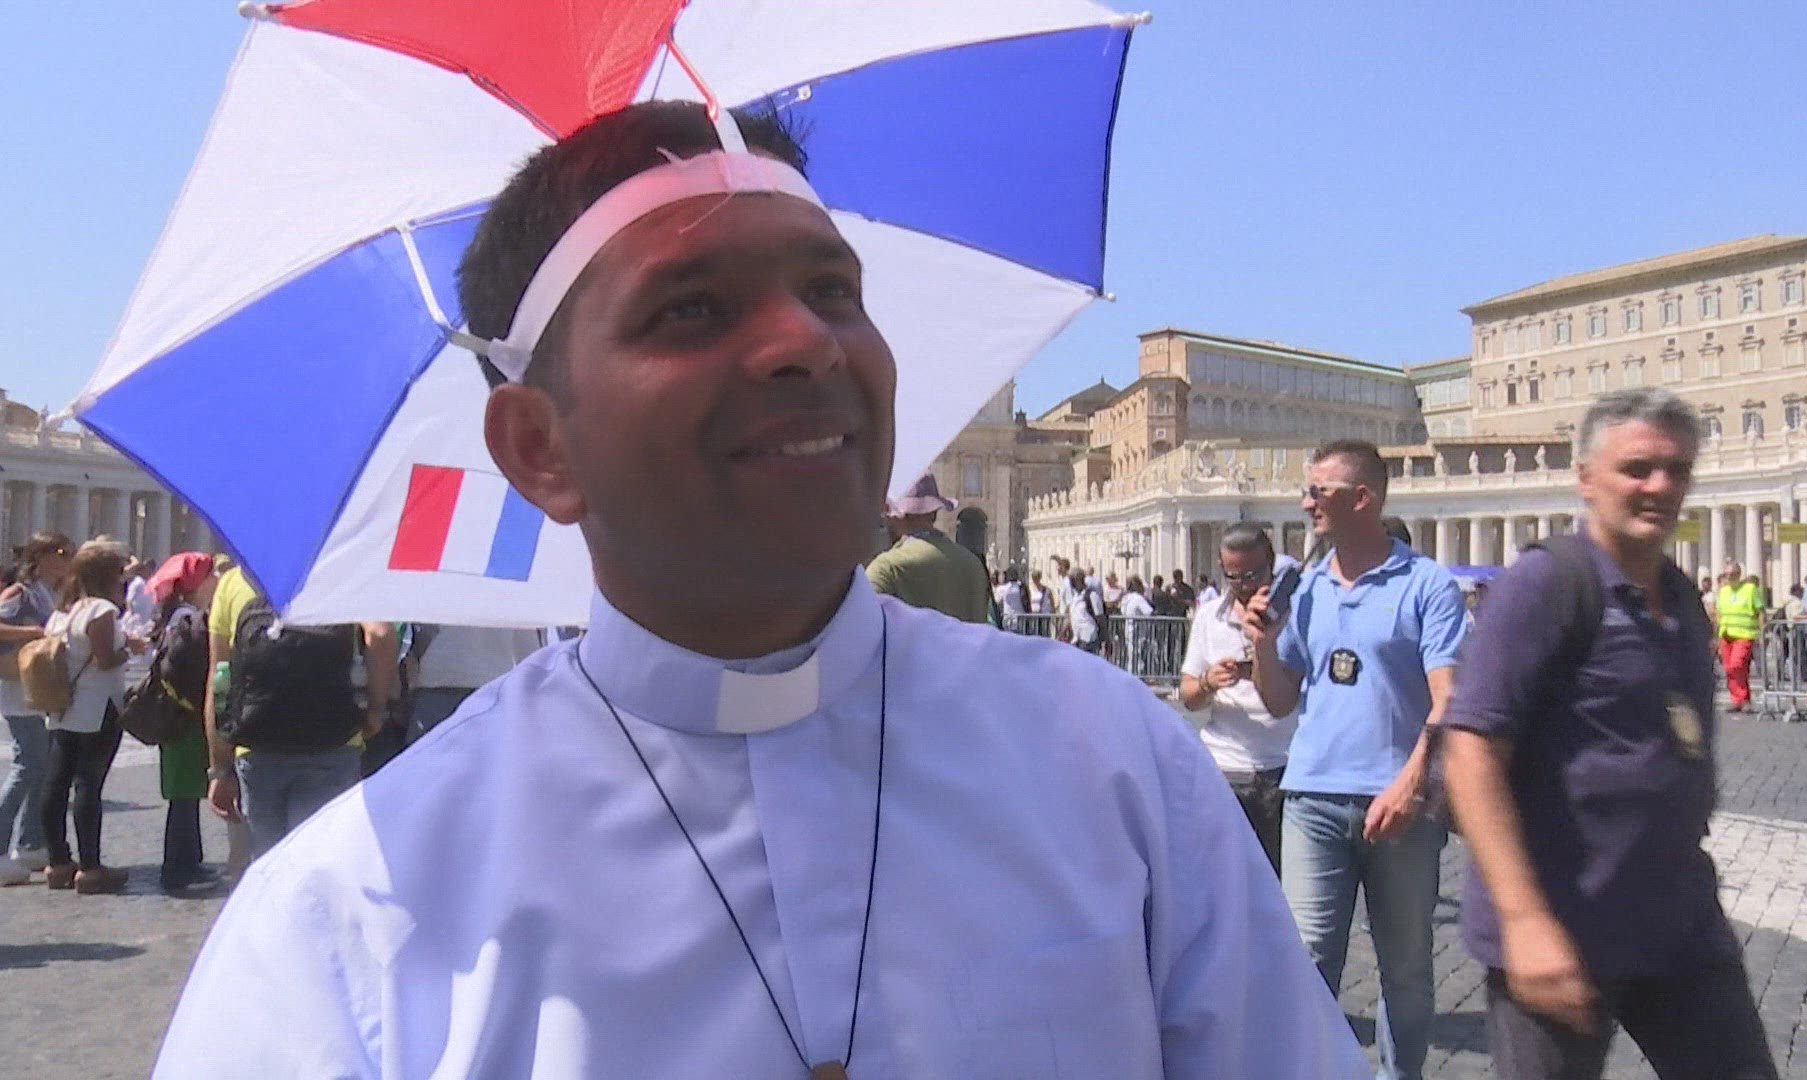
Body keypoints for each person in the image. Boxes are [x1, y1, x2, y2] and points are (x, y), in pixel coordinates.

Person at [156, 101, 1366, 1078]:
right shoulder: (348, 914)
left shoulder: (1113, 763)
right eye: (692, 309)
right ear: (539, 449)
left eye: (833, 290)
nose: (808, 342)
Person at [1443, 388, 1778, 1079]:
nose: (1660, 486)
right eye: (1637, 468)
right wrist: (1524, 921)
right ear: (1586, 478)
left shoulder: (1682, 597)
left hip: (1679, 919)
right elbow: (1471, 752)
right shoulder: (1544, 584)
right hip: (1561, 924)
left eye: (1676, 470)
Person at [1245, 439, 1469, 1080]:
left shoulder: (1428, 585)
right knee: (1306, 961)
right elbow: (1280, 700)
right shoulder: (1306, 589)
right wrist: (1263, 644)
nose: (1305, 502)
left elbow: (1449, 700)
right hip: (1312, 795)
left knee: (1406, 968)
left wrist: (1412, 782)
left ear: (1362, 498)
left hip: (1402, 803)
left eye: (1318, 491)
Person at [201, 566, 397, 857]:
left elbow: (219, 681)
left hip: (258, 745)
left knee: (269, 863)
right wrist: (375, 711)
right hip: (334, 742)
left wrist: (219, 768)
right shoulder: (343, 572)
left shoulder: (234, 581)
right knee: (321, 860)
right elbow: (380, 634)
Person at [1178, 524, 1299, 877]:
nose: (1244, 585)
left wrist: (1263, 658)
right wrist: (1207, 682)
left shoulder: (1297, 614)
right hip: (1225, 766)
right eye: (1233, 577)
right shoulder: (1209, 616)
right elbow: (1188, 697)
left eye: (1253, 575)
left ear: (1272, 565)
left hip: (1284, 765)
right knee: (1222, 880)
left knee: (1280, 883)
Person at [40, 539, 139, 894]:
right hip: (98, 707)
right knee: (88, 786)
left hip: (62, 705)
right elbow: (104, 660)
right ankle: (91, 868)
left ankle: (58, 862)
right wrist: (130, 648)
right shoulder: (100, 610)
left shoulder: (61, 612)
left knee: (55, 784)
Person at [0, 532, 72, 884]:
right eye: (62, 552)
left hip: (38, 692)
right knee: (27, 765)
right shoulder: (20, 592)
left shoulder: (49, 592)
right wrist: (31, 633)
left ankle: (31, 843)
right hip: (17, 691)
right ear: (41, 556)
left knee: (40, 767)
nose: (68, 559)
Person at [147, 552, 219, 890]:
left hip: (177, 717)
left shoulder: (177, 616)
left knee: (187, 793)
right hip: (184, 719)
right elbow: (183, 671)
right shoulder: (187, 619)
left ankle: (191, 859)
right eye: (211, 575)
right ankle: (178, 867)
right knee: (184, 796)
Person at [864, 473, 990, 623]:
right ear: (934, 514)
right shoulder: (973, 565)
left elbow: (861, 623)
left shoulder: (887, 567)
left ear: (897, 515)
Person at [404, 625, 546, 744]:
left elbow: (420, 632)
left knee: (428, 762)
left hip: (439, 678)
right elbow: (528, 650)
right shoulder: (518, 599)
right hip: (492, 684)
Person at [1715, 563, 1765, 712]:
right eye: (1726, 575)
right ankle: (1739, 700)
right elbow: (1719, 613)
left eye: (1732, 574)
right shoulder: (1723, 591)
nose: (1729, 578)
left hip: (1744, 634)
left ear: (1739, 574)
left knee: (1737, 665)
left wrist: (1762, 631)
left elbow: (1760, 611)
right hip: (1726, 634)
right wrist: (1716, 635)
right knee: (1730, 669)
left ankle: (1742, 698)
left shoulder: (1750, 589)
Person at [1063, 567, 1107, 653]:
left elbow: (1100, 618)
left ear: (1078, 580)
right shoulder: (1075, 597)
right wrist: (1063, 631)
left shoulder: (1092, 596)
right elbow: (1070, 615)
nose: (1071, 583)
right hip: (1077, 639)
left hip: (1089, 639)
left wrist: (1106, 639)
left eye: (1072, 580)